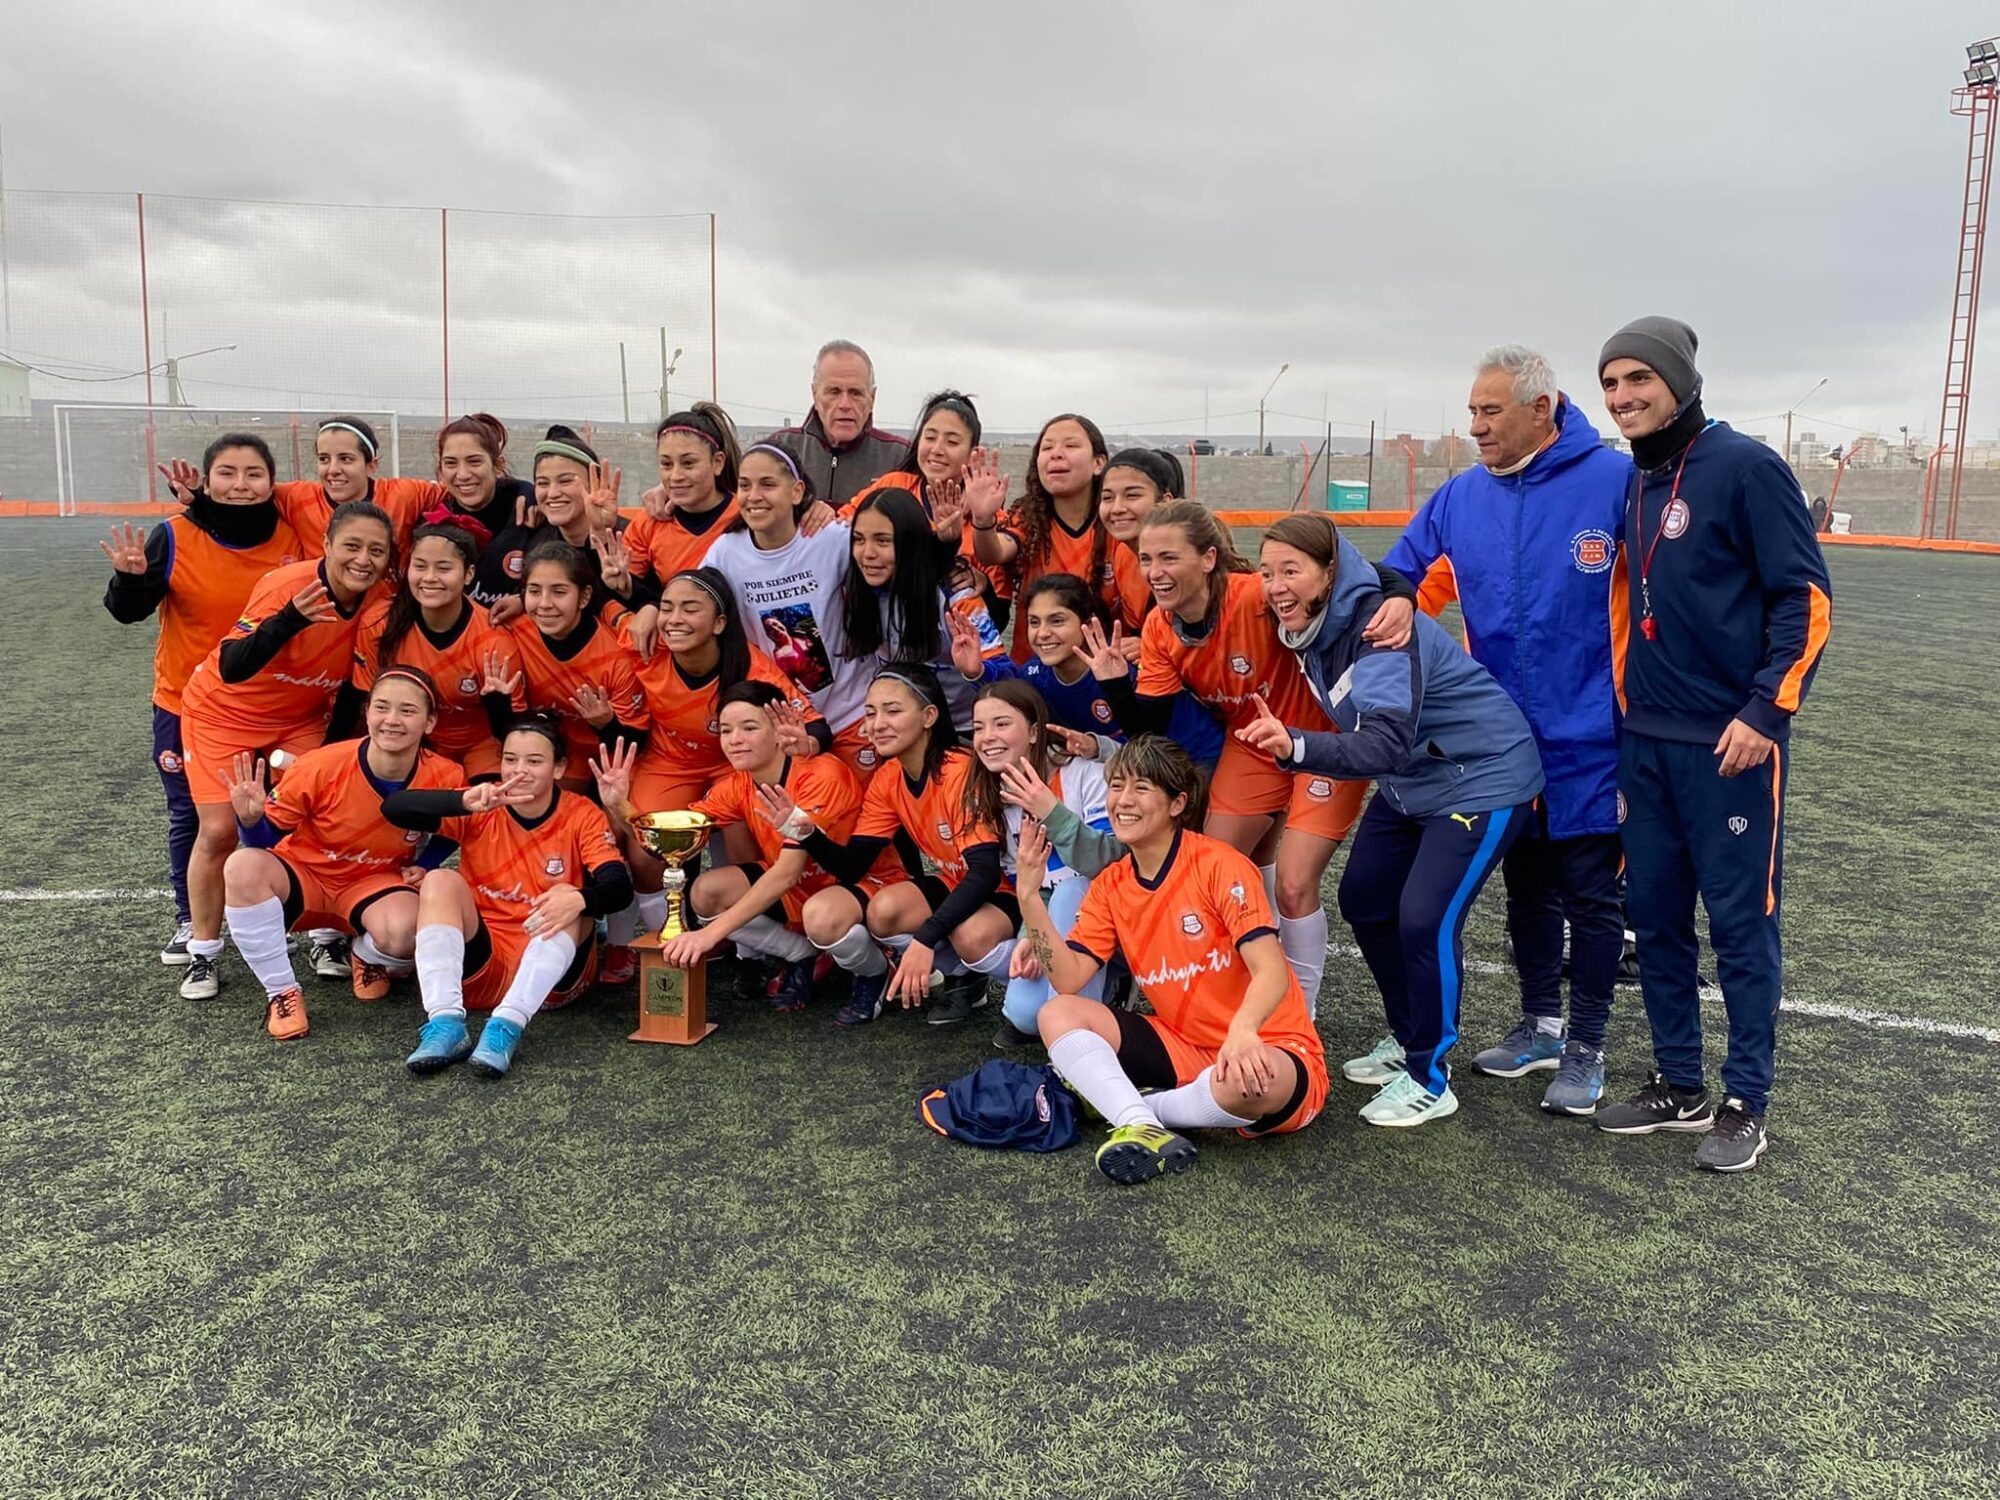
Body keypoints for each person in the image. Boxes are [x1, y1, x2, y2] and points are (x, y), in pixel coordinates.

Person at [1593, 317, 1831, 1172]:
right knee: (1655, 919)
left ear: (1680, 382)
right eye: (1611, 383)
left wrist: (1766, 713)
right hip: (1647, 740)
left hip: (1731, 745)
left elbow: (1804, 599)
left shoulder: (1746, 466)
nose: (1623, 397)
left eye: (1638, 379)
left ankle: (1746, 1102)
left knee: (1740, 927)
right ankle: (1679, 1083)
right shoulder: (1637, 476)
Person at [1379, 345, 1634, 1115]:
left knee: (1591, 894)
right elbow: (1400, 572)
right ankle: (1541, 1026)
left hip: (1596, 734)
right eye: (1472, 412)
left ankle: (1587, 1046)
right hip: (1499, 739)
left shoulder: (1617, 481)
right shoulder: (1461, 496)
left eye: (1490, 411)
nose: (1477, 427)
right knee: (1527, 886)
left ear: (1541, 409)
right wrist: (1390, 606)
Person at [1242, 514, 1544, 1127]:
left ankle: (1431, 1077)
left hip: (1481, 778)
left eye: (1291, 570)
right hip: (1416, 781)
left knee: (1424, 918)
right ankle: (1410, 1038)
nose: (1275, 586)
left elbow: (1381, 743)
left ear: (1329, 573)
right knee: (1364, 900)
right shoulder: (1321, 618)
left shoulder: (1377, 629)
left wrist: (1295, 745)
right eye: (1267, 572)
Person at [1095, 500, 1388, 1007]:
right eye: (1146, 559)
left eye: (1169, 557)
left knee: (1295, 884)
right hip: (1252, 743)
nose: (1155, 572)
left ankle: (1299, 1013)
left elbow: (1367, 581)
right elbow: (1150, 727)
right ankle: (1250, 987)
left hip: (1324, 742)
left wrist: (1400, 597)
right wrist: (1116, 685)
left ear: (1208, 558)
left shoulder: (1256, 594)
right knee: (1217, 868)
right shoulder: (1161, 628)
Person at [1019, 735, 1330, 1187]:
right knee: (1057, 1013)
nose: (1123, 801)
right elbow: (1069, 980)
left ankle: (1148, 1109)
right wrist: (1029, 898)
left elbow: (1270, 969)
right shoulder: (1110, 885)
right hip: (1183, 1044)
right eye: (1116, 786)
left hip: (1270, 1042)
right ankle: (1139, 1123)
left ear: (1177, 803)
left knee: (1249, 1083)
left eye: (1141, 788)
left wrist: (1244, 1032)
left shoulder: (1219, 864)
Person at [175, 501, 397, 1000]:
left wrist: (330, 761)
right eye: (352, 546)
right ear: (327, 545)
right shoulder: (287, 585)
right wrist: (291, 618)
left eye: (376, 550)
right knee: (220, 829)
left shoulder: (379, 600)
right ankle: (203, 951)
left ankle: (326, 938)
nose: (363, 559)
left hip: (299, 718)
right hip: (224, 713)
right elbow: (232, 665)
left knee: (320, 818)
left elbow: (354, 686)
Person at [101, 432, 306, 968]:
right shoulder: (174, 535)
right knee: (196, 819)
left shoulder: (295, 536)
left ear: (272, 482)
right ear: (208, 482)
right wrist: (129, 581)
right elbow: (127, 612)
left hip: (276, 708)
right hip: (186, 703)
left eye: (254, 474)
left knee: (275, 813)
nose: (241, 485)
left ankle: (269, 911)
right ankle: (192, 920)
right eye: (227, 474)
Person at [611, 682, 900, 1011]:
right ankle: (801, 954)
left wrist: (708, 936)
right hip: (798, 889)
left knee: (820, 916)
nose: (734, 739)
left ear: (779, 732)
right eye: (726, 730)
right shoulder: (738, 783)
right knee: (706, 892)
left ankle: (875, 970)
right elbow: (671, 837)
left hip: (856, 885)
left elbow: (787, 873)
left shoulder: (821, 775)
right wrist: (619, 806)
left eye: (749, 728)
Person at [217, 668, 466, 1039]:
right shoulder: (320, 764)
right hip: (307, 876)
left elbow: (455, 831)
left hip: (374, 884)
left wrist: (424, 863)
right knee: (241, 866)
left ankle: (365, 954)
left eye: (408, 711)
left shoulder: (445, 775)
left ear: (430, 722)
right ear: (367, 712)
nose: (392, 720)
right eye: (382, 707)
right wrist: (249, 821)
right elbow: (262, 841)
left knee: (408, 930)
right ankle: (282, 992)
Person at [389, 720, 634, 1078]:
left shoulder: (580, 813)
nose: (519, 771)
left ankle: (507, 1025)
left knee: (567, 896)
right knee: (439, 879)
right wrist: (461, 801)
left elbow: (619, 887)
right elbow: (394, 808)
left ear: (559, 768)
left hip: (549, 984)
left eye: (534, 761)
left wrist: (581, 899)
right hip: (482, 967)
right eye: (510, 759)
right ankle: (444, 1022)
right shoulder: (481, 804)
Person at [786, 667, 1020, 1028]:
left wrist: (925, 939)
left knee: (971, 935)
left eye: (893, 711)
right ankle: (963, 977)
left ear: (929, 716)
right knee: (884, 912)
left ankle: (1036, 989)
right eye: (870, 713)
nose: (877, 724)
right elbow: (853, 866)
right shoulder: (888, 776)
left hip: (1008, 889)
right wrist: (804, 832)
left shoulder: (959, 770)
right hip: (956, 880)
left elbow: (986, 874)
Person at [705, 444, 882, 776]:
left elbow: (886, 564)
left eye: (768, 484)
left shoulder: (829, 538)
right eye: (744, 485)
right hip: (783, 724)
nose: (753, 496)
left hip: (852, 712)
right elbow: (694, 601)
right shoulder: (725, 552)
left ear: (797, 491)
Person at [962, 681, 1112, 1050]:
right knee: (1024, 1016)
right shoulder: (995, 794)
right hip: (1058, 920)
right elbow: (1033, 885)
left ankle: (1078, 1034)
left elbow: (1108, 865)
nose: (987, 737)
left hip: (1113, 917)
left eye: (1001, 724)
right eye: (979, 727)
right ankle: (1094, 994)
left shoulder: (1084, 773)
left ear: (1033, 732)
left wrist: (1052, 812)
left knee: (1072, 891)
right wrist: (1030, 936)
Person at [347, 523, 523, 781]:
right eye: (420, 566)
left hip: (481, 745)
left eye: (443, 568)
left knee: (488, 802)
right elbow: (363, 699)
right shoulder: (379, 624)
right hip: (411, 739)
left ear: (468, 574)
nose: (429, 577)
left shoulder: (495, 641)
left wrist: (498, 704)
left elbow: (515, 731)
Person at [844, 486, 1004, 732]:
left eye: (883, 541)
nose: (868, 554)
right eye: (858, 540)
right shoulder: (857, 590)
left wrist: (977, 672)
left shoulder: (957, 596)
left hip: (966, 730)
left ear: (911, 542)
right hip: (899, 728)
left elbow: (1007, 675)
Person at [967, 413, 1124, 659]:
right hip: (1033, 668)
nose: (1056, 454)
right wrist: (983, 519)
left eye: (1071, 445)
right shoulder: (1029, 519)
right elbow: (993, 553)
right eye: (1047, 447)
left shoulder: (1117, 525)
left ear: (1098, 463)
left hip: (1102, 667)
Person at [475, 426, 657, 635]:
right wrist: (523, 599)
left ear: (595, 483)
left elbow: (662, 598)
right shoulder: (537, 540)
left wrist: (648, 605)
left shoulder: (633, 537)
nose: (552, 493)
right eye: (543, 483)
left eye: (566, 481)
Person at [503, 542, 650, 792]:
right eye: (535, 591)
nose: (545, 603)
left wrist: (605, 723)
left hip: (617, 755)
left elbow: (637, 742)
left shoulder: (617, 657)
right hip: (558, 748)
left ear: (584, 597)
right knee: (532, 796)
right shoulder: (514, 630)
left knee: (625, 812)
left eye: (559, 592)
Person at [770, 340, 912, 508]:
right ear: (815, 395)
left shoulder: (900, 458)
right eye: (834, 392)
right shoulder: (781, 449)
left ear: (872, 398)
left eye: (856, 393)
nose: (845, 404)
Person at [623, 402, 744, 583]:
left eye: (688, 463)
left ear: (717, 463)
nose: (675, 476)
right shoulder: (648, 523)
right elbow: (624, 585)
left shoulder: (744, 517)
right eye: (666, 464)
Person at [419, 413, 538, 575]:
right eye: (451, 463)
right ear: (440, 470)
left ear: (498, 465)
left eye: (474, 461)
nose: (463, 474)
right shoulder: (434, 524)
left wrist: (534, 495)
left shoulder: (531, 515)